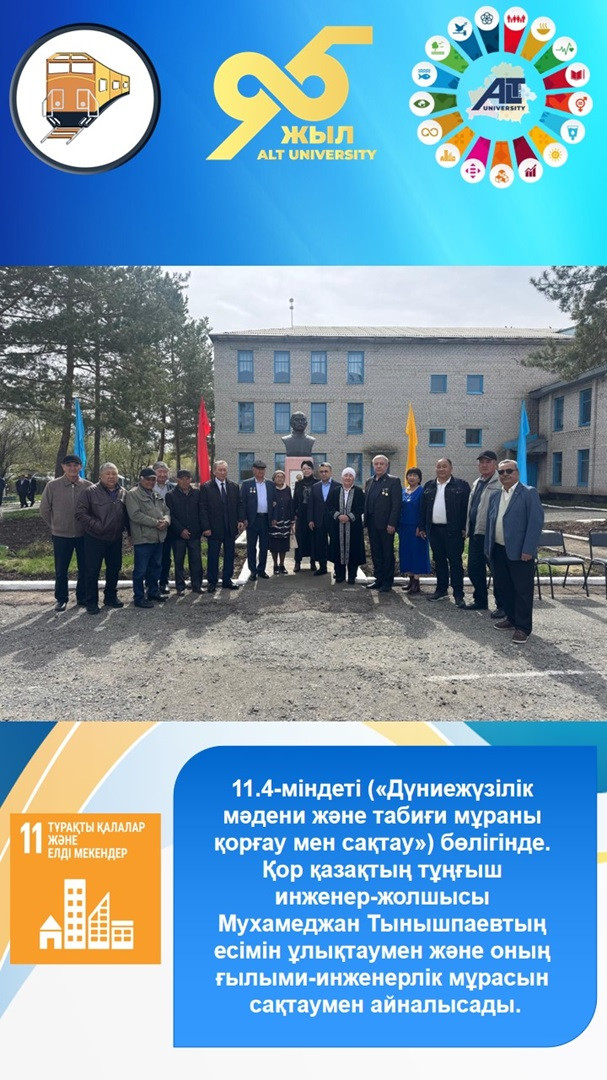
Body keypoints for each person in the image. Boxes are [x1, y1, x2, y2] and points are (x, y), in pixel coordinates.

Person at [485, 459, 544, 644]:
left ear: (517, 473)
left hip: (520, 552)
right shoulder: (496, 495)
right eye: (501, 472)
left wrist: (528, 549)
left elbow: (535, 523)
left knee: (522, 591)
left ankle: (523, 628)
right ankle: (511, 619)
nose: (505, 475)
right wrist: (488, 548)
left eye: (508, 471)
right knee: (504, 588)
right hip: (498, 550)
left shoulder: (528, 493)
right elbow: (490, 522)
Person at [39, 454, 92, 612]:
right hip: (61, 535)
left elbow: (94, 509)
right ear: (63, 467)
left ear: (80, 467)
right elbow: (44, 509)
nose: (72, 468)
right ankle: (61, 598)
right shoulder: (52, 486)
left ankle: (82, 596)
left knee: (85, 567)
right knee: (61, 570)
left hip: (83, 535)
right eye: (69, 465)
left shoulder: (88, 486)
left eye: (75, 465)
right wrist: (55, 525)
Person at [74, 462, 128, 614]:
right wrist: (97, 525)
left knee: (114, 568)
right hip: (94, 537)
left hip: (115, 538)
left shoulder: (123, 492)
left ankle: (110, 597)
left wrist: (128, 533)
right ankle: (91, 601)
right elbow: (80, 513)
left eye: (114, 474)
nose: (111, 476)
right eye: (108, 474)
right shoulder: (90, 492)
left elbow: (126, 514)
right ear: (100, 476)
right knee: (92, 570)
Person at [419, 458, 470, 606]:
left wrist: (465, 527)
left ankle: (458, 594)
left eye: (444, 466)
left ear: (451, 468)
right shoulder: (429, 485)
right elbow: (423, 508)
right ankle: (441, 590)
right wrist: (422, 527)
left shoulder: (461, 485)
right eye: (438, 466)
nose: (441, 469)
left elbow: (467, 508)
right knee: (439, 561)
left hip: (454, 531)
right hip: (435, 530)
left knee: (455, 562)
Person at [465, 451, 504, 615]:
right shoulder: (477, 482)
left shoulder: (500, 482)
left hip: (492, 535)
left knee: (497, 571)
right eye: (481, 462)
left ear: (495, 464)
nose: (484, 465)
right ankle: (480, 600)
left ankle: (502, 606)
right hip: (476, 532)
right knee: (474, 568)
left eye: (488, 462)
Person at [126, 467, 171, 609]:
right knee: (141, 570)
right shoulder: (133, 494)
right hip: (143, 538)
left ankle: (153, 592)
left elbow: (166, 510)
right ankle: (139, 597)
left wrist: (166, 521)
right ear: (141, 479)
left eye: (153, 479)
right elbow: (135, 515)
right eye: (148, 479)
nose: (151, 482)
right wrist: (156, 523)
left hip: (158, 538)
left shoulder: (155, 494)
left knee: (156, 567)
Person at [199, 460, 245, 593]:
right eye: (220, 470)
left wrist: (240, 519)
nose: (223, 472)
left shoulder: (233, 486)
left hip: (230, 527)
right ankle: (212, 582)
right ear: (214, 471)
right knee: (213, 556)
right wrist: (206, 527)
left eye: (225, 470)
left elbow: (239, 504)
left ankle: (227, 580)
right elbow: (203, 508)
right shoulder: (206, 487)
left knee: (229, 555)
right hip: (213, 529)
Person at [364, 455, 402, 593]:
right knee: (376, 553)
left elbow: (396, 505)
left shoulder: (393, 481)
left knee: (387, 553)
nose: (378, 466)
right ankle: (378, 579)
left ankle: (387, 581)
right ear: (373, 465)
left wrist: (392, 523)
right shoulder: (369, 481)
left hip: (386, 525)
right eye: (376, 464)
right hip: (372, 523)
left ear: (387, 465)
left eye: (381, 464)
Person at [166, 470, 203, 595]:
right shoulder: (170, 495)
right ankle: (180, 587)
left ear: (191, 479)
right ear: (177, 480)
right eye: (182, 479)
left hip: (194, 534)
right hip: (178, 535)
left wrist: (200, 528)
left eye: (187, 478)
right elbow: (170, 514)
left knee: (196, 561)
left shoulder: (197, 493)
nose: (185, 481)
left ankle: (196, 585)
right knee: (179, 561)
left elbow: (201, 512)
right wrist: (180, 530)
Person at [328, 467, 365, 583]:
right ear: (342, 477)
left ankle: (352, 576)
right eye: (346, 475)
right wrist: (339, 516)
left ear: (354, 478)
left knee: (353, 550)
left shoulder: (359, 491)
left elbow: (362, 507)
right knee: (338, 550)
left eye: (350, 475)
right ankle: (340, 575)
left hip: (353, 527)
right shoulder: (335, 490)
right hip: (337, 526)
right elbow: (329, 506)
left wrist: (349, 517)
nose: (348, 478)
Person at [240, 459, 276, 581]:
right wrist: (244, 519)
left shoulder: (270, 484)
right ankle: (253, 571)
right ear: (253, 470)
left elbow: (274, 502)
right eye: (258, 469)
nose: (260, 471)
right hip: (252, 520)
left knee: (264, 547)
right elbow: (242, 503)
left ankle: (261, 570)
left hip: (265, 519)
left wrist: (274, 518)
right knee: (251, 547)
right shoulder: (247, 484)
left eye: (262, 469)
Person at [398, 467, 430, 595]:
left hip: (416, 528)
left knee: (417, 553)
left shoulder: (422, 492)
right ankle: (410, 580)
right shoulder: (403, 491)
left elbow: (425, 510)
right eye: (409, 475)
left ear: (419, 478)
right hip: (404, 527)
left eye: (415, 475)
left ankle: (416, 582)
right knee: (406, 553)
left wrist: (421, 526)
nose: (412, 478)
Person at [308, 462, 340, 577]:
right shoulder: (315, 487)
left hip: (334, 520)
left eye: (326, 471)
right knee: (320, 544)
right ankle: (322, 567)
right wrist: (310, 519)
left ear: (330, 472)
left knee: (335, 544)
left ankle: (337, 569)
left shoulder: (338, 486)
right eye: (321, 471)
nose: (323, 473)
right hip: (319, 520)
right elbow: (311, 504)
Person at [153, 461, 176, 595]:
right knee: (152, 557)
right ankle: (151, 583)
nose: (162, 474)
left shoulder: (173, 487)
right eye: (159, 472)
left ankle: (163, 582)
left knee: (166, 557)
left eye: (165, 472)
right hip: (151, 527)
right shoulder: (147, 486)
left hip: (169, 527)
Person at [292, 460, 317, 572]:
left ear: (312, 469)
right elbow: (295, 500)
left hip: (313, 515)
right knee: (299, 538)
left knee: (313, 538)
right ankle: (297, 562)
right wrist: (293, 515)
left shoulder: (317, 483)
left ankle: (313, 562)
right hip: (301, 515)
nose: (306, 471)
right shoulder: (299, 483)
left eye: (308, 468)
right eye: (304, 469)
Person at [269, 469, 293, 574]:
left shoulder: (287, 489)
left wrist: (292, 519)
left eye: (282, 477)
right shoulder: (271, 489)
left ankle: (282, 565)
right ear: (274, 478)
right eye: (278, 476)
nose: (280, 478)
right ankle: (275, 565)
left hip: (285, 520)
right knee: (275, 545)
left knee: (283, 545)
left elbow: (291, 503)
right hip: (274, 521)